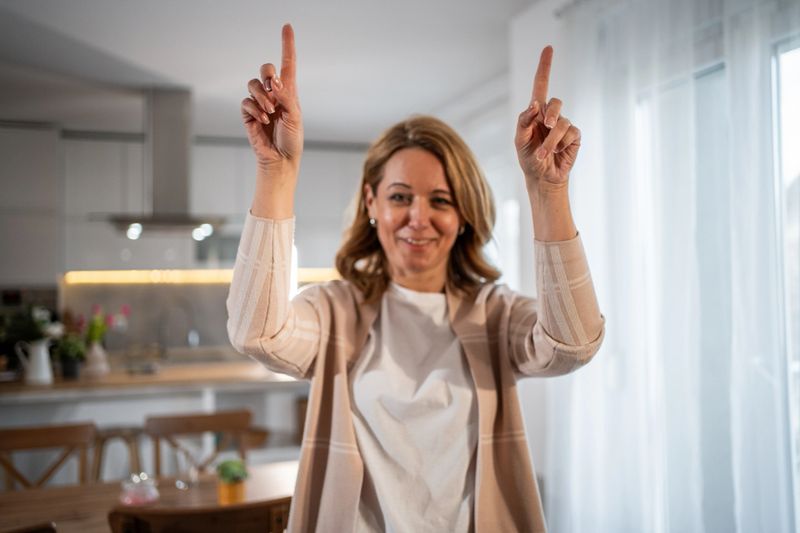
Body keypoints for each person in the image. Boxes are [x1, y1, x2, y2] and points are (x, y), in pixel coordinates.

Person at [228, 23, 604, 533]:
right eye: (400, 196)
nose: (418, 218)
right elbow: (257, 332)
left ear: (464, 214)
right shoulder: (335, 312)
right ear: (372, 204)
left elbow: (573, 344)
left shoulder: (494, 315)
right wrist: (277, 172)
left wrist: (548, 191)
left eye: (441, 201)